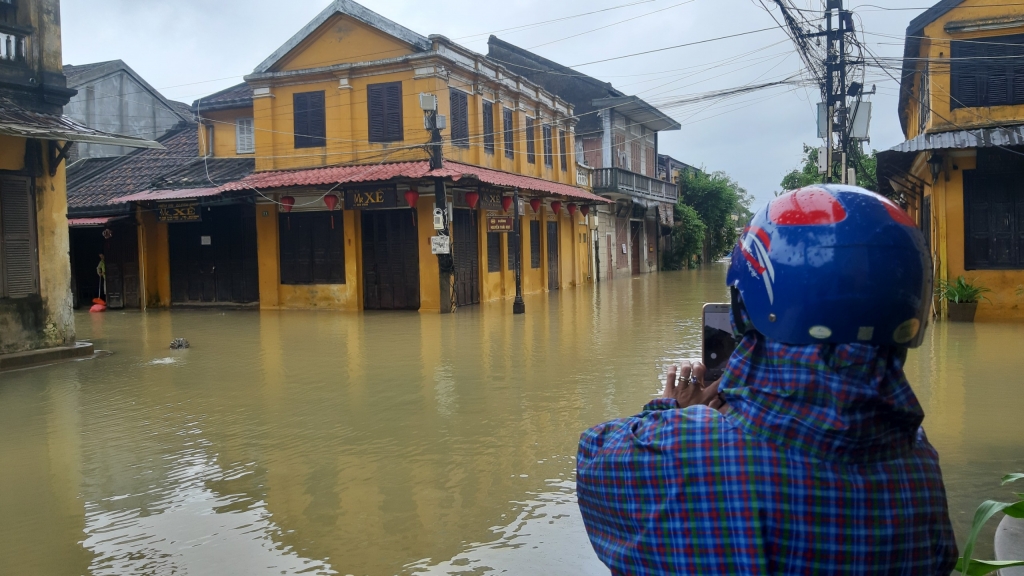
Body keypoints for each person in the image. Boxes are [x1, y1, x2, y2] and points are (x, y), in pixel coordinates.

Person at [576, 185, 957, 575]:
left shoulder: (682, 448)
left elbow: (591, 462)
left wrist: (670, 411)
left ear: (745, 313)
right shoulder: (919, 463)